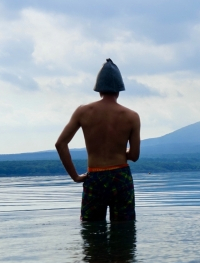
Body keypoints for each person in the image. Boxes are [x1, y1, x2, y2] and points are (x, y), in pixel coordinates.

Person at [55, 59, 141, 221]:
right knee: (125, 232)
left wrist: (75, 176)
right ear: (119, 89)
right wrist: (118, 151)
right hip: (120, 178)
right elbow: (135, 155)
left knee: (91, 232)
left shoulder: (83, 112)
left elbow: (60, 144)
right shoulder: (131, 116)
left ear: (98, 89)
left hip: (94, 178)